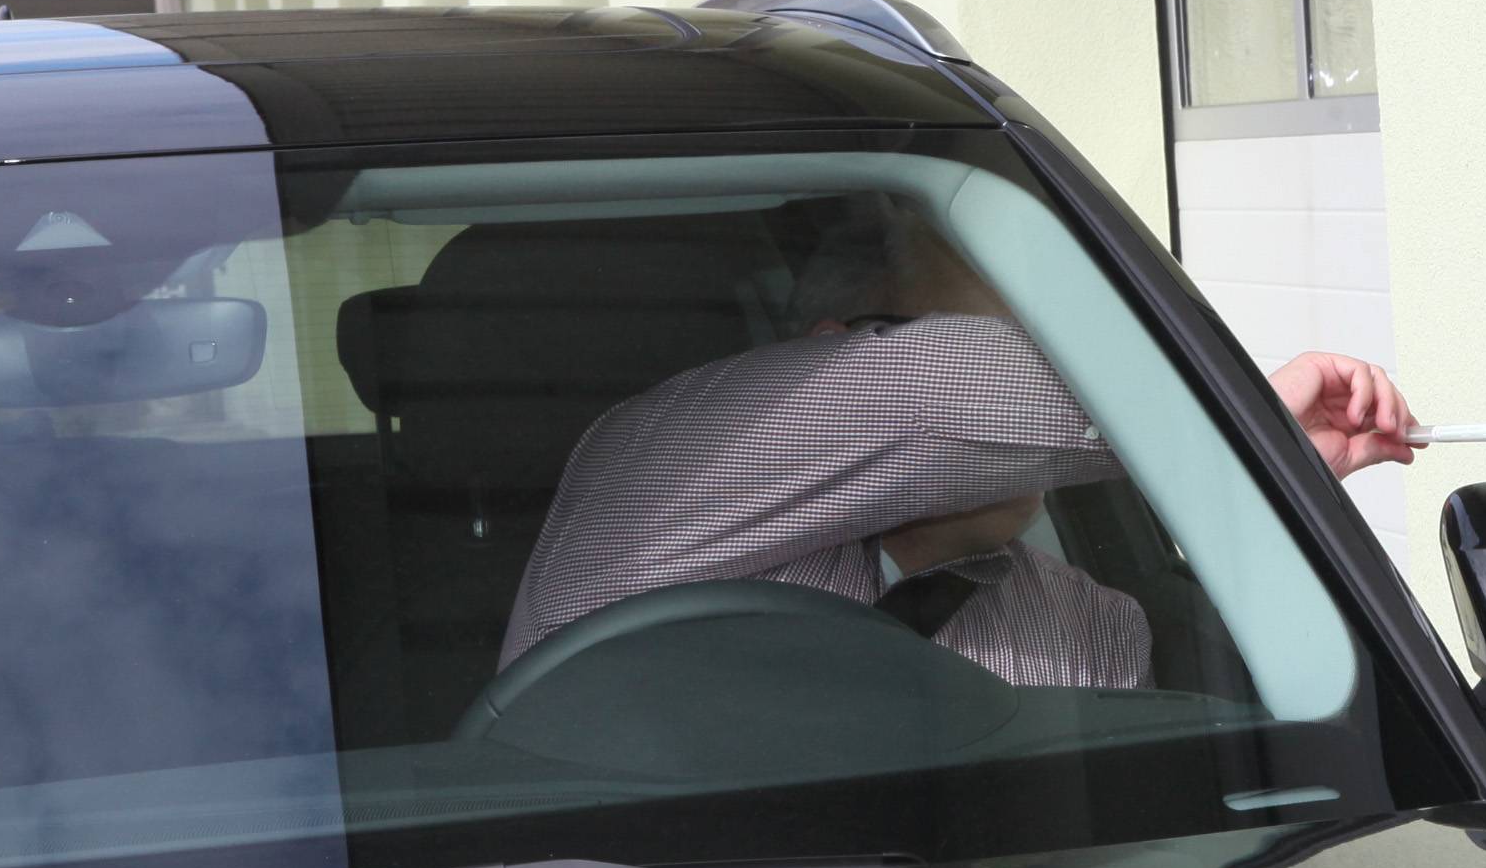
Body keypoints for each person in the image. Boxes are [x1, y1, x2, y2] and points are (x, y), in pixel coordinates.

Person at [501, 204, 1415, 690]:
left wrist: (1247, 468)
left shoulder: (1092, 624)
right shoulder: (662, 477)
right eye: (1003, 351)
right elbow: (926, 401)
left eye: (1052, 351)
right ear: (830, 355)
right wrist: (1231, 418)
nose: (1038, 419)